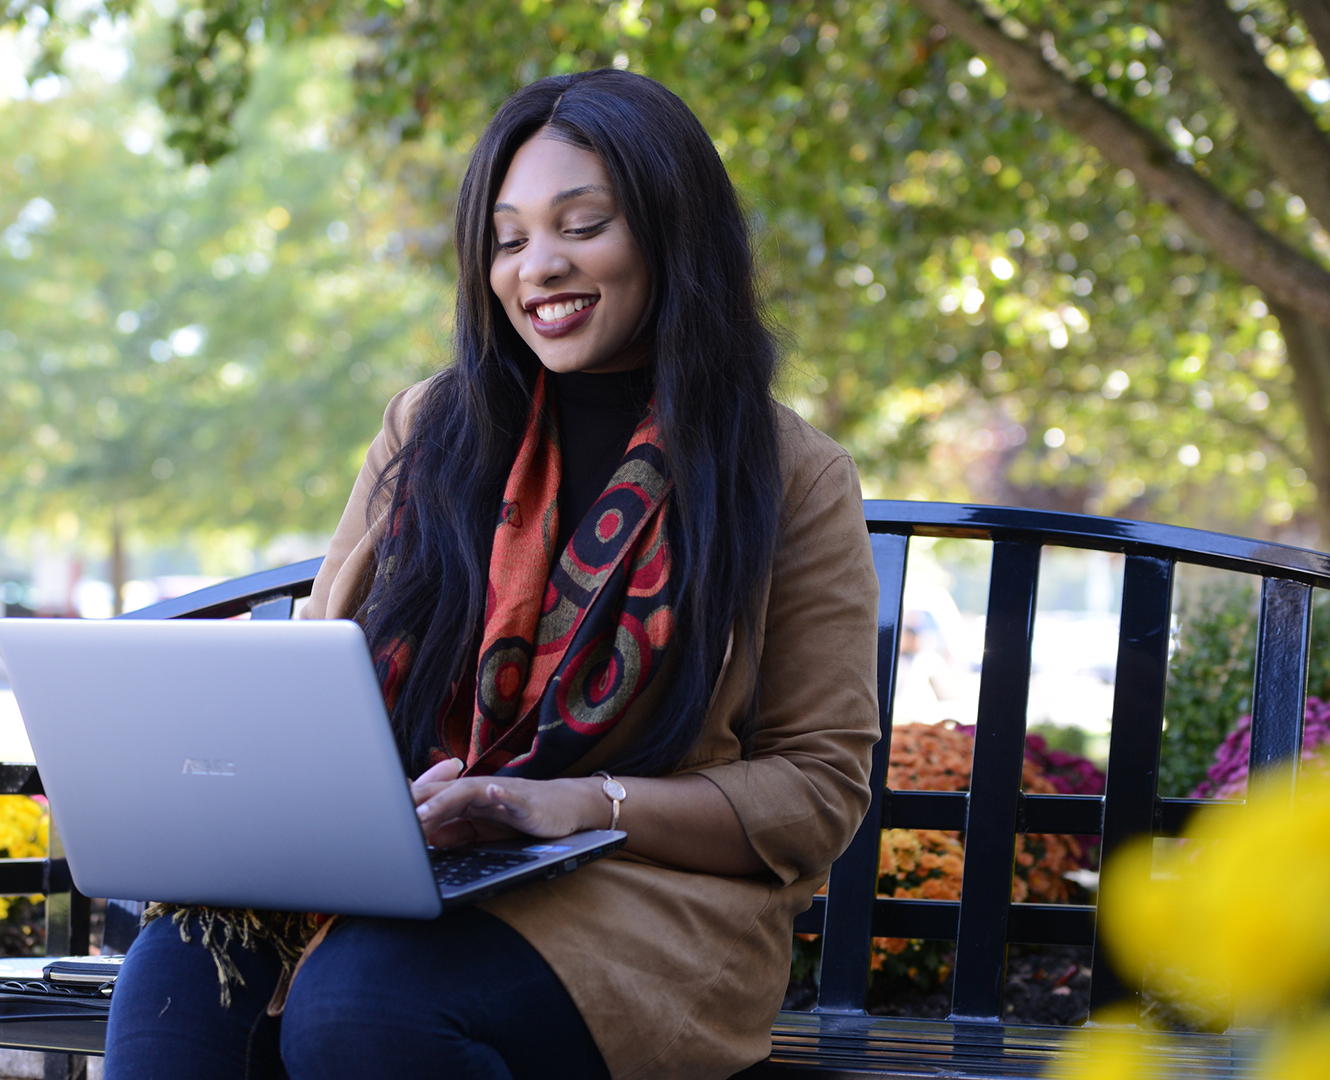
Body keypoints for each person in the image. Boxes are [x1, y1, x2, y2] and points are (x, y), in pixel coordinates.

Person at [104, 68, 881, 1080]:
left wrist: (575, 804)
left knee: (364, 1005)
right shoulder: (429, 430)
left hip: (636, 894)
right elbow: (315, 687)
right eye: (508, 239)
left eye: (582, 224)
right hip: (392, 865)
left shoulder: (789, 475)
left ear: (670, 234)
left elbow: (817, 788)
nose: (538, 267)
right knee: (177, 977)